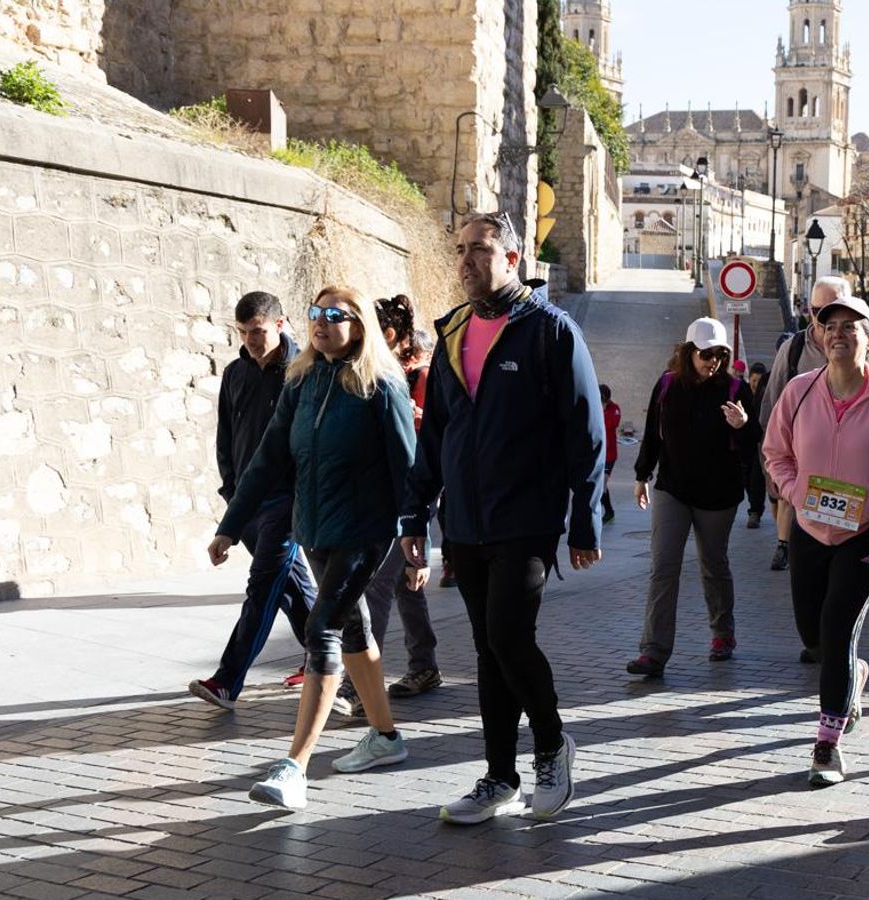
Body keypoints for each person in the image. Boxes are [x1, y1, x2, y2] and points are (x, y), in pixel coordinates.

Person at [399, 211, 604, 824]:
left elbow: (584, 432)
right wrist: (415, 514)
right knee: (490, 650)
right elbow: (434, 434)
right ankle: (498, 776)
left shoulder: (550, 331)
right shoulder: (454, 331)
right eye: (459, 248)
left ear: (512, 258)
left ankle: (551, 745)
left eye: (480, 249)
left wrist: (585, 522)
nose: (465, 260)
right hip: (464, 522)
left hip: (526, 517)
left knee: (509, 638)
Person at [208, 286, 418, 810]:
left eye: (335, 315)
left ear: (360, 325)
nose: (321, 322)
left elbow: (407, 470)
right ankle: (386, 738)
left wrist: (420, 541)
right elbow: (266, 459)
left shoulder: (381, 386)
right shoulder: (302, 382)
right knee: (355, 628)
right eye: (315, 313)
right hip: (315, 529)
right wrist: (230, 525)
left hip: (365, 532)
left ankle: (293, 767)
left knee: (322, 629)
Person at [763, 294, 869, 787]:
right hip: (808, 528)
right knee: (814, 636)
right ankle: (853, 674)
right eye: (831, 326)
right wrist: (794, 493)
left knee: (837, 626)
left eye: (852, 326)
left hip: (862, 534)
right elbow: (774, 452)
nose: (839, 334)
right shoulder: (800, 391)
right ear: (821, 338)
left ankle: (827, 745)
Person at [189, 291, 317, 711]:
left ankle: (227, 681)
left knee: (262, 587)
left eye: (258, 331)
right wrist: (232, 494)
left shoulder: (305, 370)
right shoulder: (234, 373)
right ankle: (328, 658)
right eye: (243, 332)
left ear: (280, 325)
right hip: (245, 504)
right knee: (293, 591)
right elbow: (225, 438)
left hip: (286, 502)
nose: (250, 340)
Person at [627, 317, 760, 677]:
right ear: (688, 352)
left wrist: (743, 426)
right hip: (673, 488)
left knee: (713, 565)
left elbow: (754, 448)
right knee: (663, 567)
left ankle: (722, 635)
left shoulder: (735, 390)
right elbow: (653, 434)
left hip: (718, 495)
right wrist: (642, 475)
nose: (712, 361)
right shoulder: (668, 385)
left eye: (719, 354)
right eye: (705, 354)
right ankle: (653, 652)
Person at [336, 295, 444, 716]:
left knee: (376, 586)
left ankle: (358, 685)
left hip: (411, 496)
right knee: (401, 586)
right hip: (381, 496)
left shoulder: (417, 377)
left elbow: (432, 441)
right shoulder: (372, 375)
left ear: (390, 335)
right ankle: (425, 665)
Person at [759, 276, 869, 577]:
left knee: (837, 623)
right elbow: (772, 422)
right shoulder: (794, 360)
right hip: (808, 516)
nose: (828, 326)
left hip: (861, 524)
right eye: (820, 314)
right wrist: (789, 487)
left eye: (846, 323)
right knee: (810, 623)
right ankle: (783, 544)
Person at [743, 362, 770, 528]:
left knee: (756, 476)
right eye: (753, 380)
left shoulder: (767, 395)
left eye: (759, 381)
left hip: (761, 441)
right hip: (745, 442)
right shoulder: (743, 392)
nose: (755, 384)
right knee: (746, 477)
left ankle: (755, 511)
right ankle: (754, 505)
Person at [600, 384, 621, 524]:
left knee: (601, 483)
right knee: (598, 485)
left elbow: (611, 424)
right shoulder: (592, 406)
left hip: (609, 455)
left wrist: (601, 412)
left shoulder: (614, 409)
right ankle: (608, 510)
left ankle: (609, 511)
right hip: (596, 453)